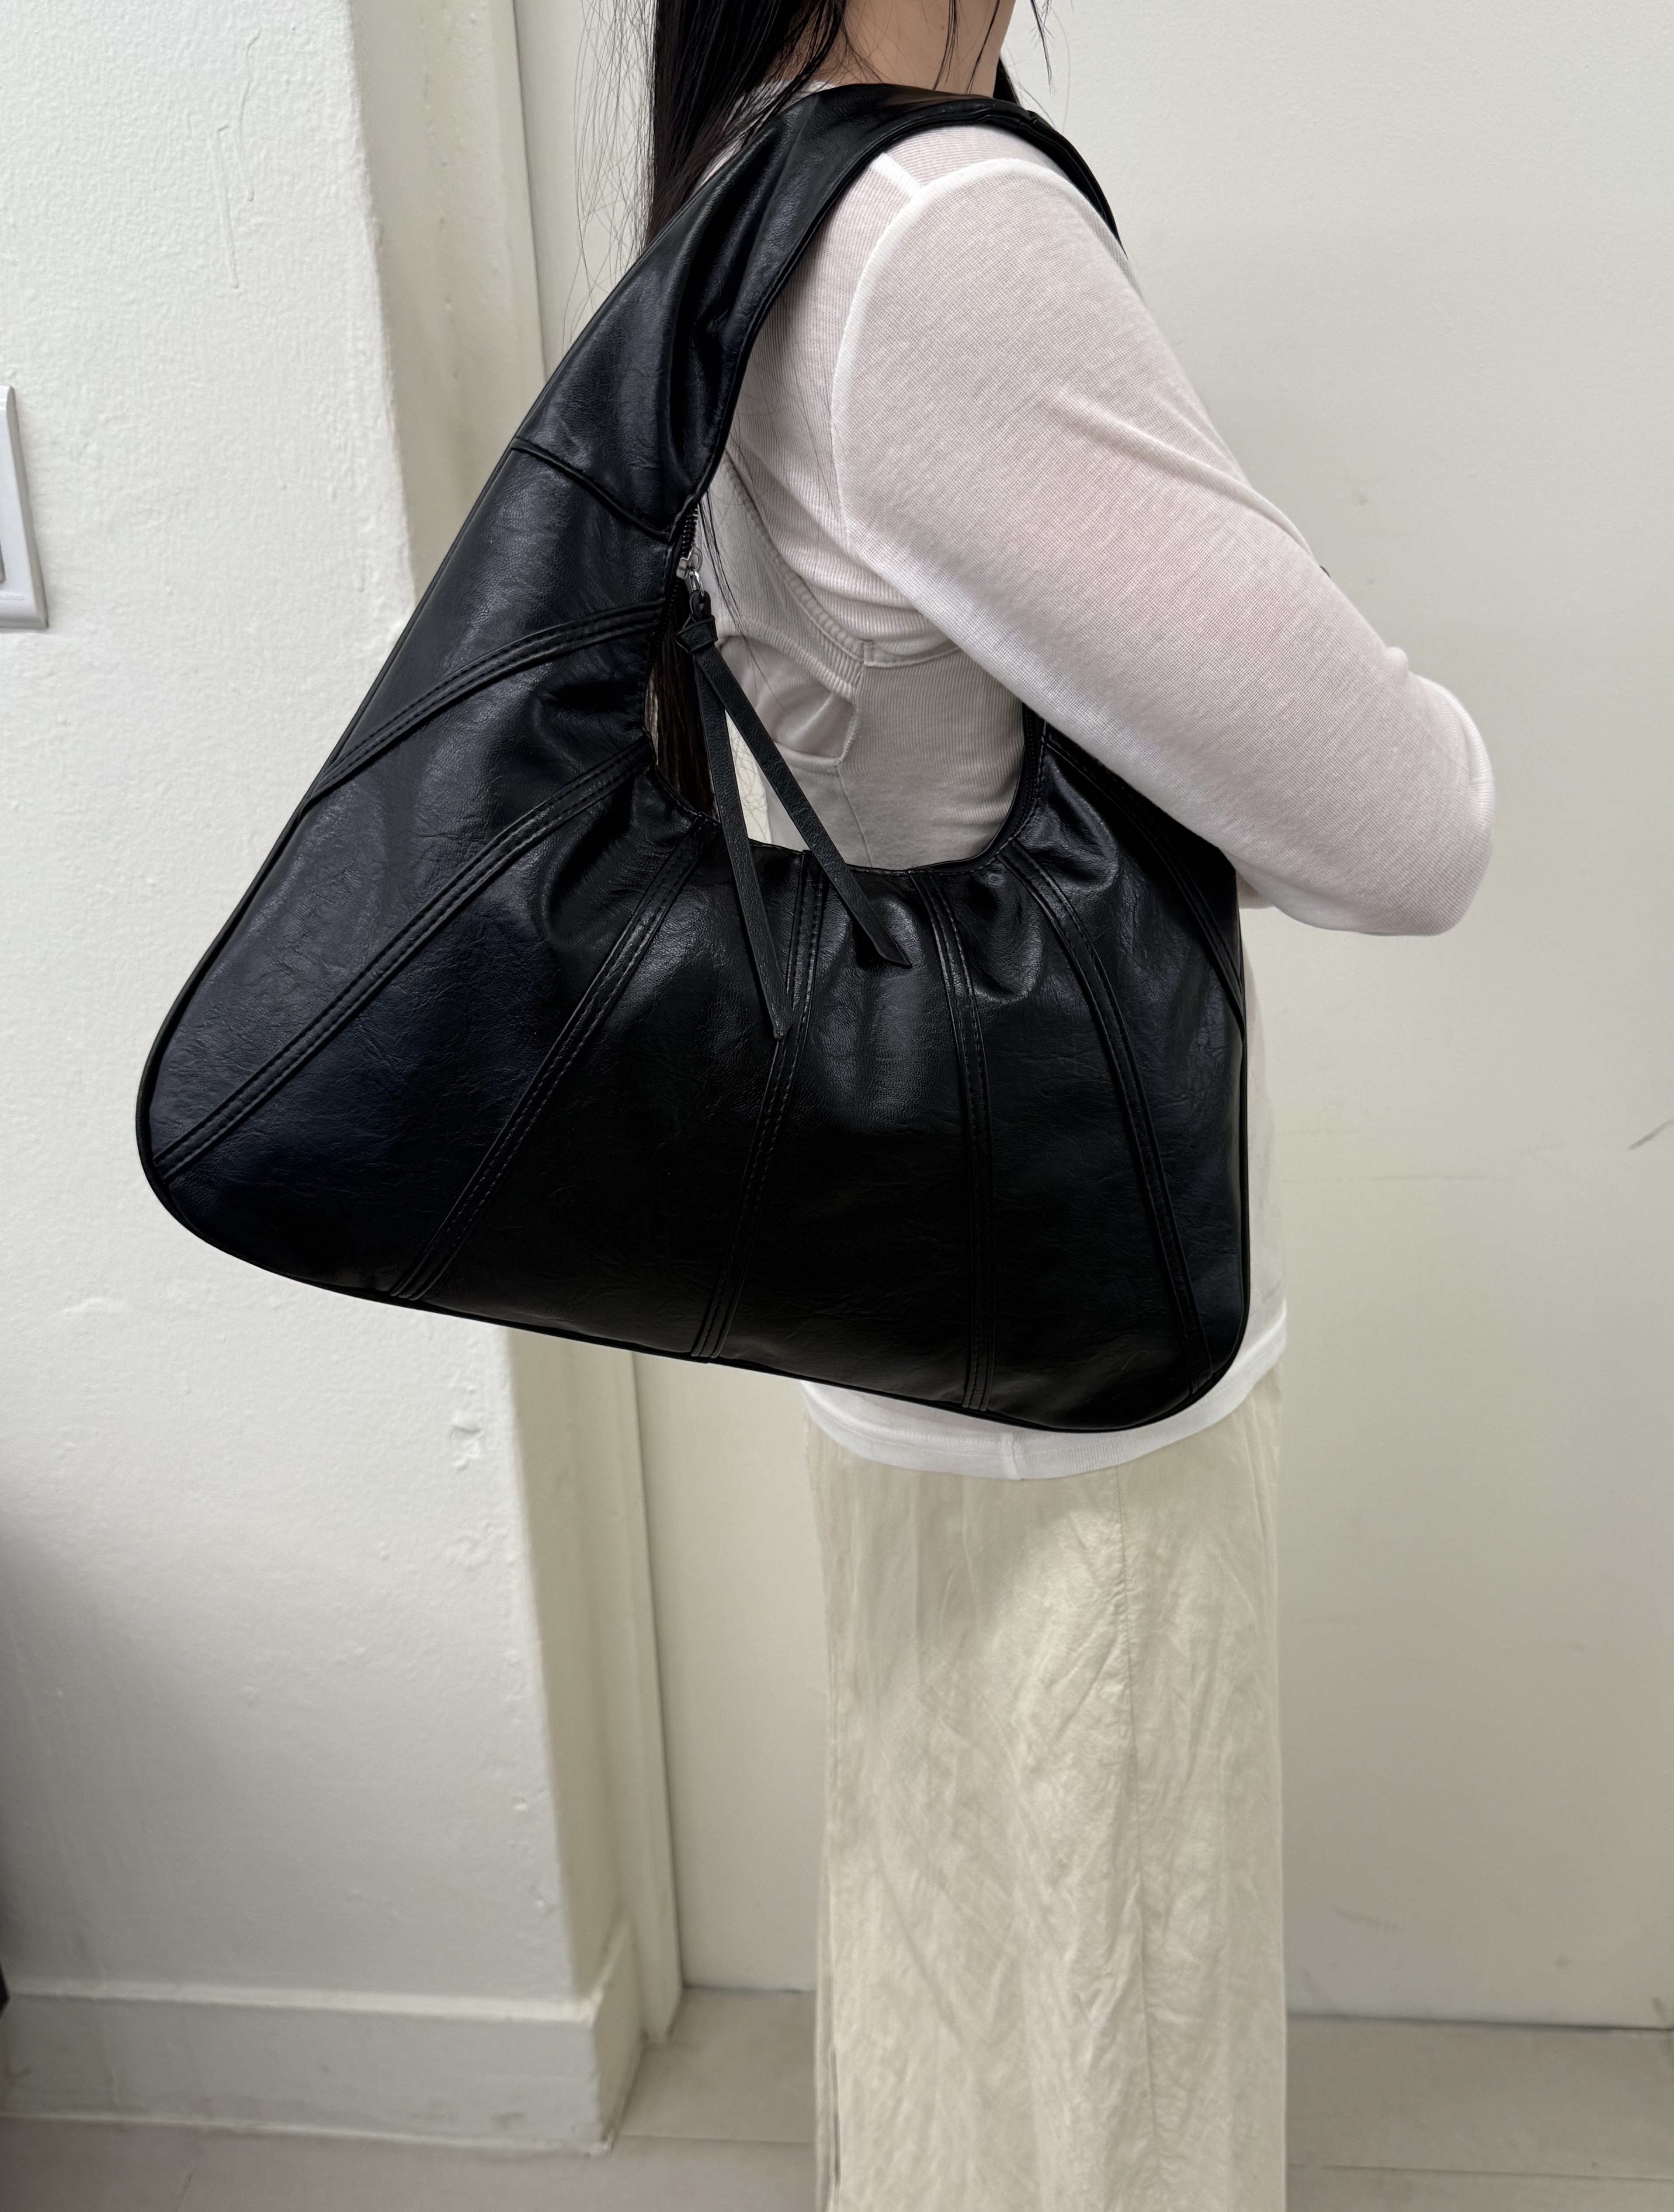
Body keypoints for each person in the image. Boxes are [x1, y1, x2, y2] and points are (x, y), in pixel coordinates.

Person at [638, 2, 1494, 2206]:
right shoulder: (935, 234)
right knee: (1110, 2030)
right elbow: (1405, 829)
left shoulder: (746, 167)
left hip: (896, 1260)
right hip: (1075, 1314)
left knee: (972, 1969)